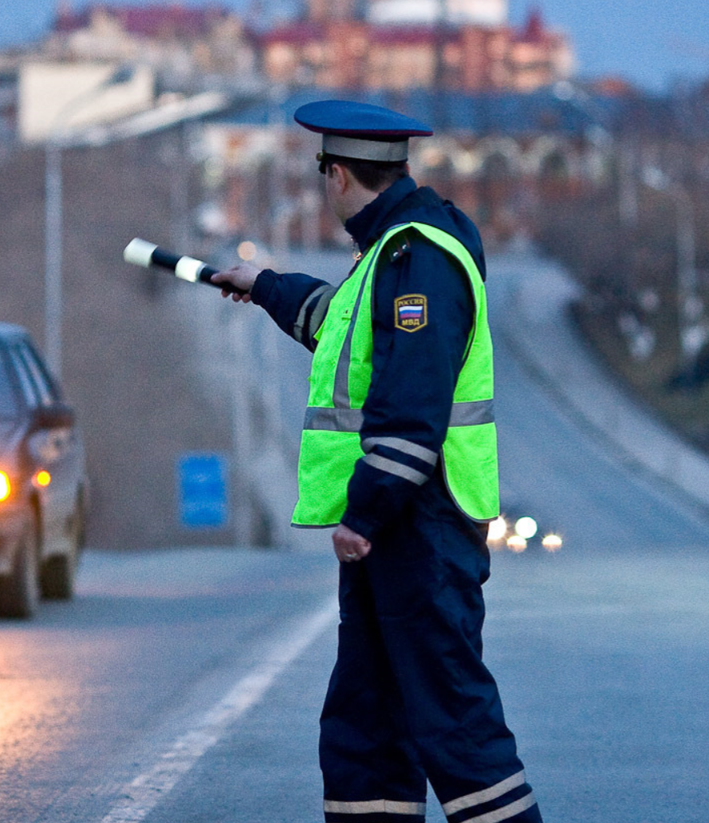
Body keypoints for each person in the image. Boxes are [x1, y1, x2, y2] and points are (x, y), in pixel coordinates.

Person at [211, 100, 542, 823]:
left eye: (322, 171)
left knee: (454, 723)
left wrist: (364, 514)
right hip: (402, 530)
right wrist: (262, 283)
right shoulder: (392, 252)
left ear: (335, 174)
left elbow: (411, 402)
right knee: (367, 726)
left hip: (418, 525)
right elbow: (341, 327)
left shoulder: (417, 255)